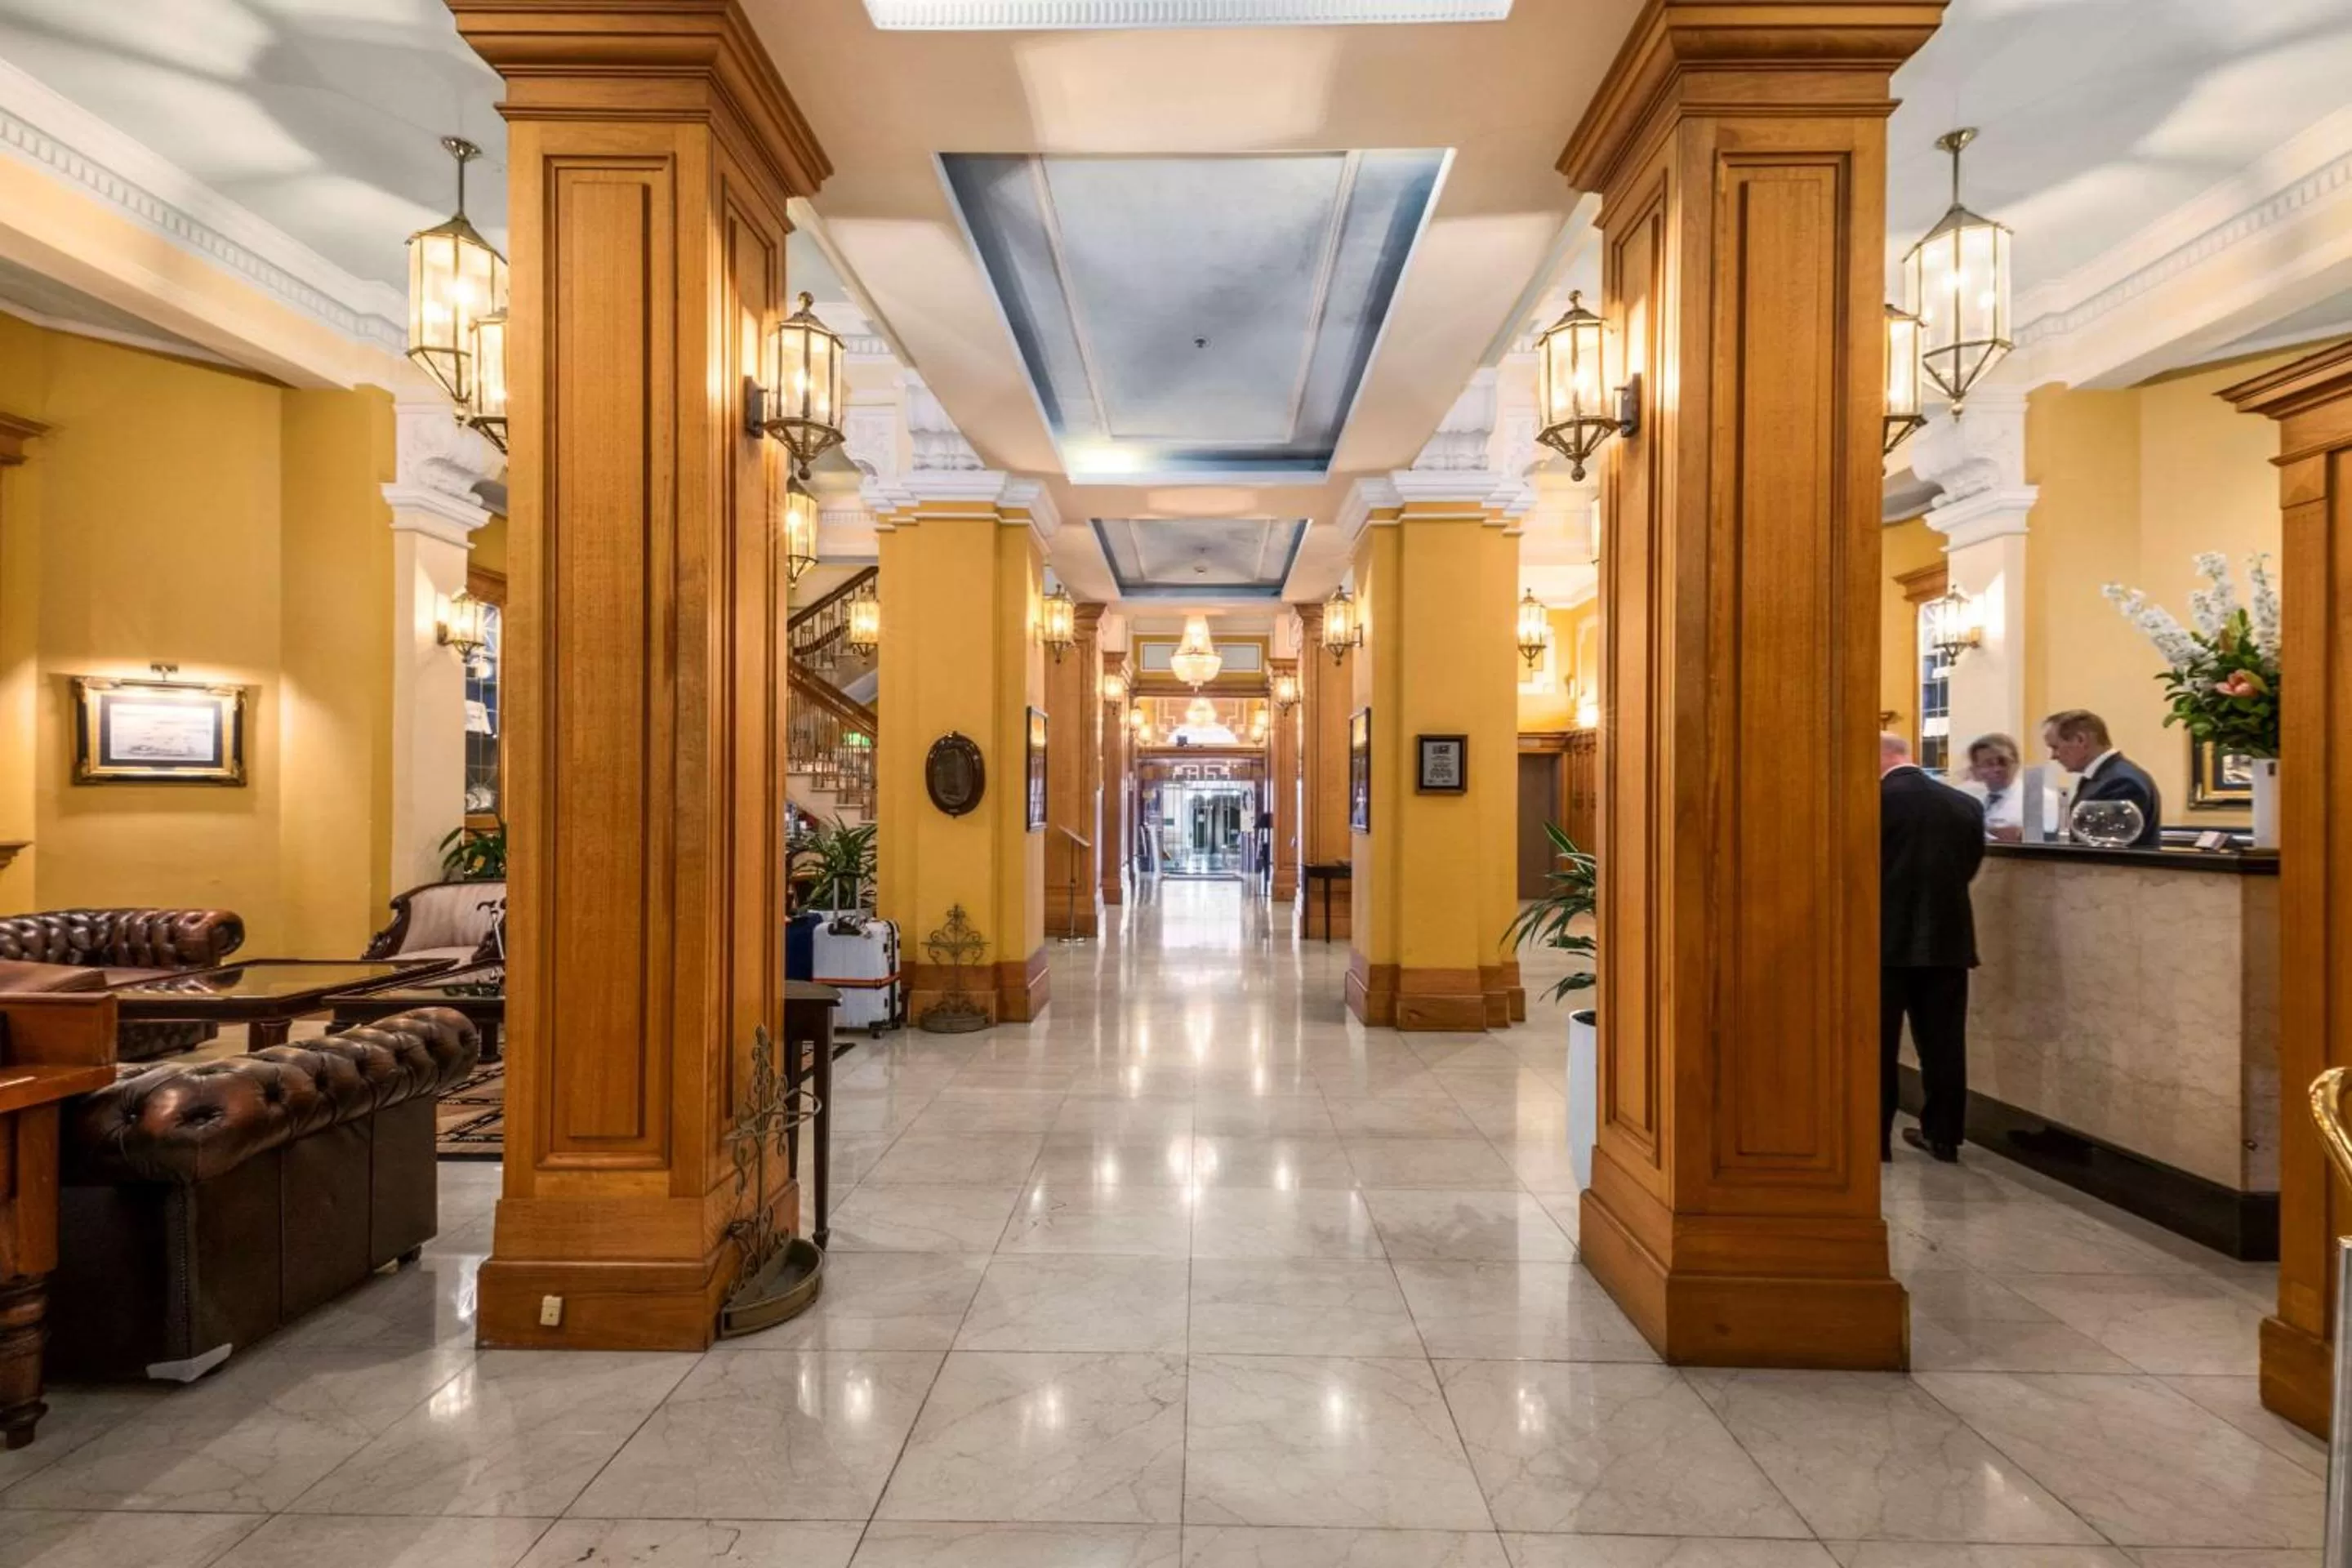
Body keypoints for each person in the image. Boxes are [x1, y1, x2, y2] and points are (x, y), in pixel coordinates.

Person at [1881, 731, 1986, 1163]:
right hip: (1948, 940)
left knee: (1877, 1044)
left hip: (1883, 941)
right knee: (1944, 1044)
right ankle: (1943, 1136)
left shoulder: (1873, 803)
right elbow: (1969, 867)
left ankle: (1873, 1138)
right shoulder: (1965, 805)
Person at [2042, 709, 2162, 848]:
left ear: (2081, 740)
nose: (2053, 756)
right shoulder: (2108, 776)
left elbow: (2102, 847)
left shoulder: (2122, 783)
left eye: (2055, 747)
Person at [1959, 733, 2025, 842]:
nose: (1997, 769)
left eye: (2003, 762)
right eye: (1989, 764)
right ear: (1976, 768)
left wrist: (2020, 835)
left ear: (2017, 763)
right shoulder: (1966, 796)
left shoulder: (2039, 799)